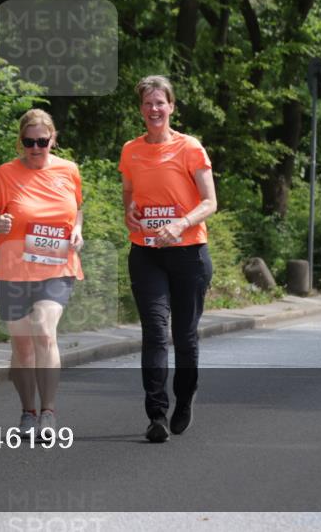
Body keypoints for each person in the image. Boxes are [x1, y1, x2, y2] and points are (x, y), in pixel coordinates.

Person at [118, 76, 217, 443]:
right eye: (148, 103)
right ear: (141, 109)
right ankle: (156, 414)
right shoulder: (131, 150)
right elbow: (129, 194)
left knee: (184, 336)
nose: (154, 109)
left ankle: (185, 396)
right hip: (146, 252)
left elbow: (210, 201)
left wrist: (181, 223)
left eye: (161, 103)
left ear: (171, 106)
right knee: (155, 333)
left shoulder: (190, 148)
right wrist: (129, 212)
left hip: (189, 253)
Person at [0, 109, 83, 435]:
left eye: (42, 141)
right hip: (12, 269)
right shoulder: (6, 174)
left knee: (44, 329)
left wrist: (77, 230)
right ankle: (28, 412)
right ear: (20, 142)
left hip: (57, 266)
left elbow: (76, 209)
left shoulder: (68, 170)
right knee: (22, 346)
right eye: (29, 142)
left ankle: (48, 412)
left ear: (53, 139)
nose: (36, 148)